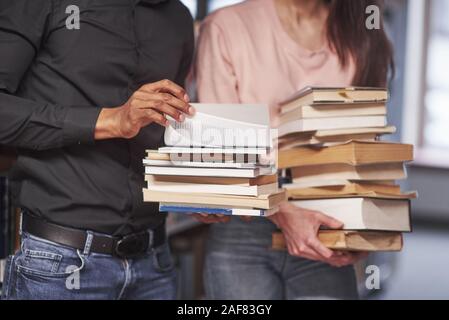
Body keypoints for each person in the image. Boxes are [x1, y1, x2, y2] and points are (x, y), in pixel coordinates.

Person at [194, 0, 393, 299]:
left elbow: (365, 144)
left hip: (327, 223)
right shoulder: (226, 26)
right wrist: (283, 211)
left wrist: (366, 229)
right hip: (245, 229)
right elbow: (222, 150)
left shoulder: (363, 29)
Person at [0, 0, 194, 300]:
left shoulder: (179, 17)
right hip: (58, 265)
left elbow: (170, 126)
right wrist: (111, 120)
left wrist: (202, 193)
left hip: (155, 261)